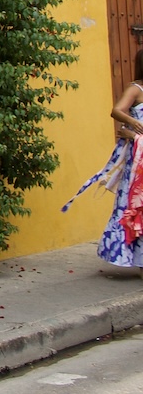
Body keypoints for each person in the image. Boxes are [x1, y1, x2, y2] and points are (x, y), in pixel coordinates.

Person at [64, 49, 143, 267]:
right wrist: (133, 125)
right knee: (134, 204)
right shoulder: (136, 89)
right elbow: (116, 110)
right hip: (138, 160)